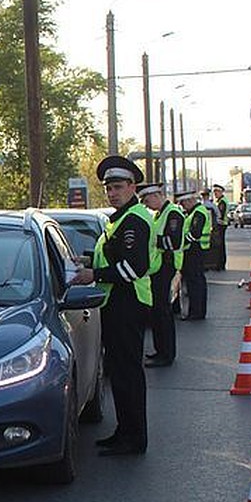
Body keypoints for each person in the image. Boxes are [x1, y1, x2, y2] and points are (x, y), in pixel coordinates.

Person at [70, 155, 154, 456]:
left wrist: (95, 274)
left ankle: (134, 438)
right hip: (117, 302)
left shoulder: (134, 220)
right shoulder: (119, 219)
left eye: (118, 187)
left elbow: (135, 267)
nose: (112, 193)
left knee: (128, 373)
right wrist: (90, 261)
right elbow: (115, 258)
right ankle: (125, 431)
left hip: (128, 302)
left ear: (133, 186)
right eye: (109, 188)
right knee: (119, 372)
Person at [139, 182, 184, 367]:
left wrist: (150, 240)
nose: (146, 205)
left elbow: (172, 242)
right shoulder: (159, 214)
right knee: (157, 312)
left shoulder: (173, 213)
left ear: (157, 195)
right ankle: (160, 350)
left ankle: (166, 354)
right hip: (158, 269)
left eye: (147, 200)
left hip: (167, 267)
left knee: (162, 312)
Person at [177, 190, 210, 320]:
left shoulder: (199, 213)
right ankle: (197, 311)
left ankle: (196, 312)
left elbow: (195, 233)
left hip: (194, 251)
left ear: (190, 200)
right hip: (194, 251)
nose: (182, 206)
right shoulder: (193, 212)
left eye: (183, 203)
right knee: (196, 282)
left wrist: (181, 242)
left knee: (195, 283)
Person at [211, 184, 229, 270]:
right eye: (214, 192)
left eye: (216, 192)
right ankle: (219, 263)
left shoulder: (222, 202)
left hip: (221, 225)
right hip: (220, 225)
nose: (215, 194)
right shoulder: (219, 201)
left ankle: (221, 264)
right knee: (219, 245)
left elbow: (220, 215)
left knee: (220, 246)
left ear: (221, 192)